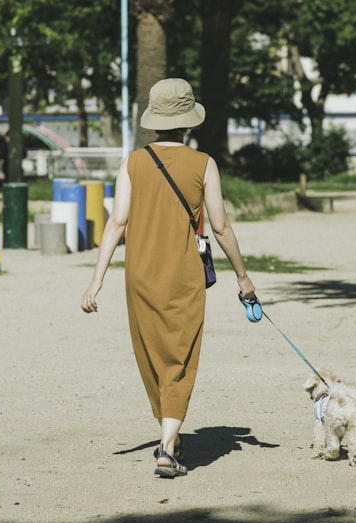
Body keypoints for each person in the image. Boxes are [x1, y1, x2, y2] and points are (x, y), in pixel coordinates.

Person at [80, 78, 256, 478]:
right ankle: (166, 447)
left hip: (138, 274)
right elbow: (221, 227)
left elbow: (117, 222)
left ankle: (170, 435)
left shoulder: (133, 161)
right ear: (188, 122)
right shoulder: (204, 163)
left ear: (155, 120)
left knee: (152, 354)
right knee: (180, 356)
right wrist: (243, 277)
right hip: (183, 275)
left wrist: (96, 280)